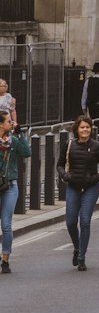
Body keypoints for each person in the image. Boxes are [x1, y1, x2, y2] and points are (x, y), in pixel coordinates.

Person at [63, 113, 99, 271]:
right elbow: (59, 164)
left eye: (88, 127)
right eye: (82, 127)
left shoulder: (98, 147)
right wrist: (65, 175)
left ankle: (82, 257)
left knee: (84, 221)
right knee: (70, 222)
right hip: (73, 187)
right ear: (76, 129)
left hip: (90, 188)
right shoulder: (69, 145)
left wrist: (93, 179)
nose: (85, 130)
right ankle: (77, 247)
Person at [0, 109, 30, 274]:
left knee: (6, 225)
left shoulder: (13, 141)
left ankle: (5, 260)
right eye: (8, 121)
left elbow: (27, 153)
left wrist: (20, 135)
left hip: (10, 185)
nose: (12, 123)